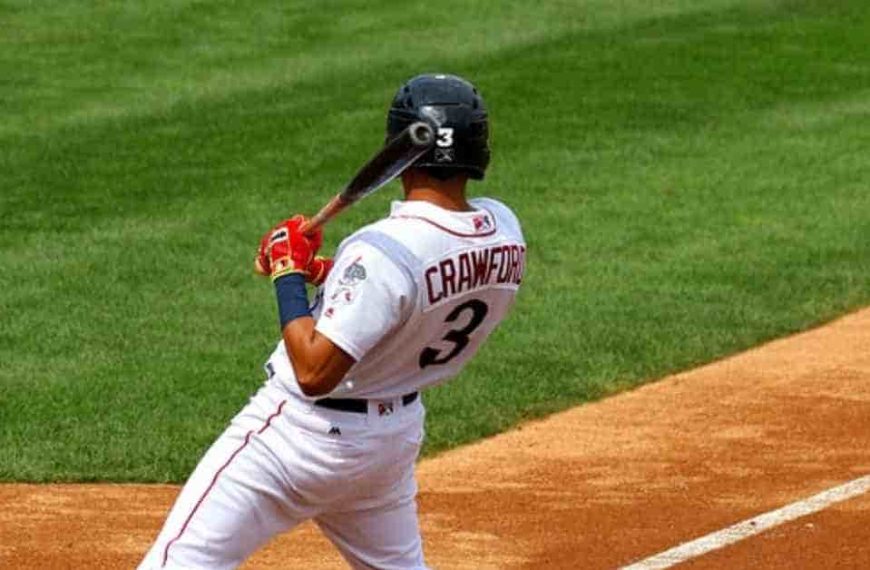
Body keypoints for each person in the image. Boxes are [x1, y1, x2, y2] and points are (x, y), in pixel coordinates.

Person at [139, 73, 526, 570]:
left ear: (398, 142)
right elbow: (409, 292)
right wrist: (315, 268)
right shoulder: (503, 232)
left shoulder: (382, 250)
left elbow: (314, 370)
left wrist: (287, 273)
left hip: (298, 442)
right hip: (388, 447)